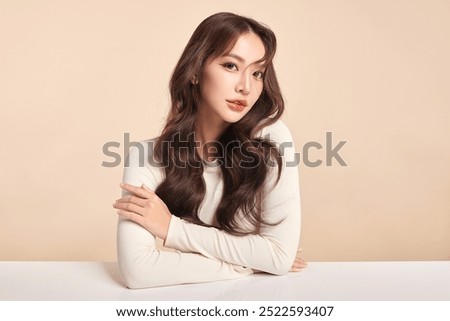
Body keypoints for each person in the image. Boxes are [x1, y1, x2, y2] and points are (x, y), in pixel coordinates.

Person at [113, 12, 306, 289]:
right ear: (194, 71)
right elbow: (138, 272)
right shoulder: (145, 156)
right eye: (230, 65)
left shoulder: (271, 140)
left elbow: (277, 257)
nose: (246, 87)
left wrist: (173, 229)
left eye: (257, 73)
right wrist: (252, 261)